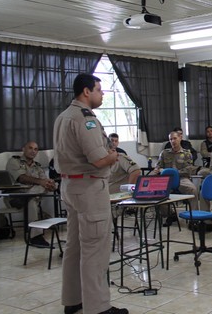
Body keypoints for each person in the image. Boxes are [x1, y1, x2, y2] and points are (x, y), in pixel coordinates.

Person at [53, 73, 128, 314]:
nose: (102, 94)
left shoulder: (63, 116)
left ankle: (73, 301)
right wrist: (115, 155)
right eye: (99, 89)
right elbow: (98, 159)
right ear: (86, 91)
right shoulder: (86, 119)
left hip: (69, 186)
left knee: (74, 247)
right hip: (89, 188)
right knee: (95, 249)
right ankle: (98, 308)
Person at [5, 141, 57, 247]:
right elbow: (21, 178)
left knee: (34, 198)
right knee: (34, 197)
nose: (33, 151)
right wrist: (41, 182)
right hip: (14, 197)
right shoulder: (14, 161)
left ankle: (35, 237)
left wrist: (51, 185)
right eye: (30, 148)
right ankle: (36, 237)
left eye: (36, 149)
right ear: (23, 149)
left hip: (27, 198)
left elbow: (44, 181)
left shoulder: (37, 167)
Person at [152, 131, 202, 228]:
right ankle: (170, 214)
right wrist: (158, 170)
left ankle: (194, 217)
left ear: (180, 138)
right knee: (157, 192)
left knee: (193, 189)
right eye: (171, 139)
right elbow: (158, 167)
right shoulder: (164, 153)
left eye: (175, 138)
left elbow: (188, 170)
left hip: (182, 178)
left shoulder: (187, 153)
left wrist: (172, 172)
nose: (173, 141)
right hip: (166, 180)